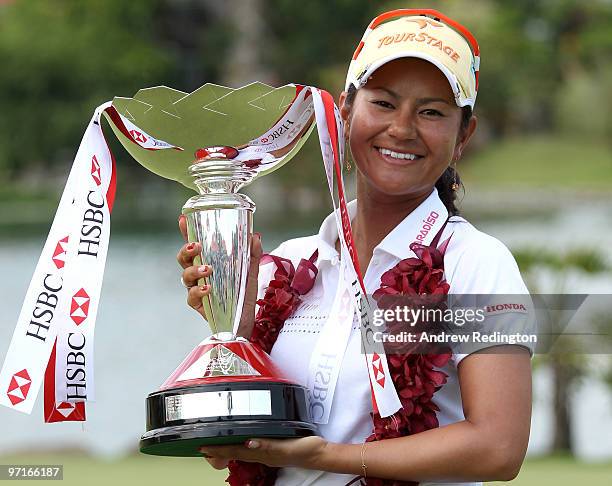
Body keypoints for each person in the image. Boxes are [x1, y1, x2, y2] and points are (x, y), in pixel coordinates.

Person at [177, 9, 532, 486]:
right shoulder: (291, 263)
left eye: (431, 112)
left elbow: (498, 449)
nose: (402, 129)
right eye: (383, 103)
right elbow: (242, 446)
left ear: (463, 135)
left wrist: (328, 456)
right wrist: (238, 340)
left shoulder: (475, 263)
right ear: (345, 111)